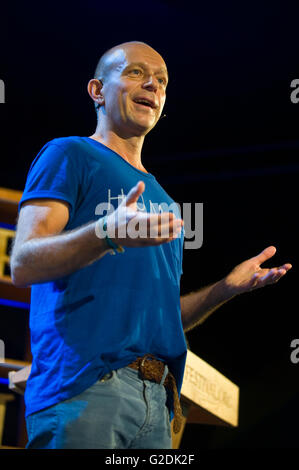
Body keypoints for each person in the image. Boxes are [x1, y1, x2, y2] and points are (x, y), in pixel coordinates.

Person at [10, 41, 292, 449]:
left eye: (161, 80)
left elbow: (164, 319)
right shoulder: (69, 153)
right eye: (136, 72)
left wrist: (224, 290)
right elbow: (23, 262)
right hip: (86, 390)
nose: (153, 85)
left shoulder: (166, 202)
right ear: (97, 90)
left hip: (158, 405)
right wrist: (107, 232)